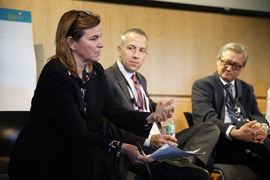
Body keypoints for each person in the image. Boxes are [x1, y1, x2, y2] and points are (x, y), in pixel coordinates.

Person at [8, 10, 175, 180]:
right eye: (94, 39)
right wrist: (122, 147)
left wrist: (151, 117)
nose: (101, 44)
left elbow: (115, 111)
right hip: (42, 161)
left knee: (101, 157)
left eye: (100, 37)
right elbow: (77, 133)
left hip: (77, 154)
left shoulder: (96, 71)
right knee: (98, 155)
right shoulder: (55, 73)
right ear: (72, 42)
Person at [105, 28, 220, 180]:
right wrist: (148, 140)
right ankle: (176, 166)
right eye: (131, 48)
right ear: (120, 50)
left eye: (142, 50)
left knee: (209, 128)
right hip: (138, 144)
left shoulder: (140, 78)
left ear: (146, 54)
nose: (136, 55)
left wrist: (156, 108)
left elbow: (141, 105)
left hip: (159, 138)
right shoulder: (107, 78)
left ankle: (181, 163)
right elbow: (112, 122)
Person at [192, 42, 270, 179]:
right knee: (241, 124)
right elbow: (207, 119)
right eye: (226, 62)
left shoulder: (247, 88)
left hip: (247, 146)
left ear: (242, 68)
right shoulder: (203, 86)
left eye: (236, 66)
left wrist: (263, 127)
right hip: (221, 143)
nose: (229, 68)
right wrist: (236, 132)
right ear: (218, 61)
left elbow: (257, 114)